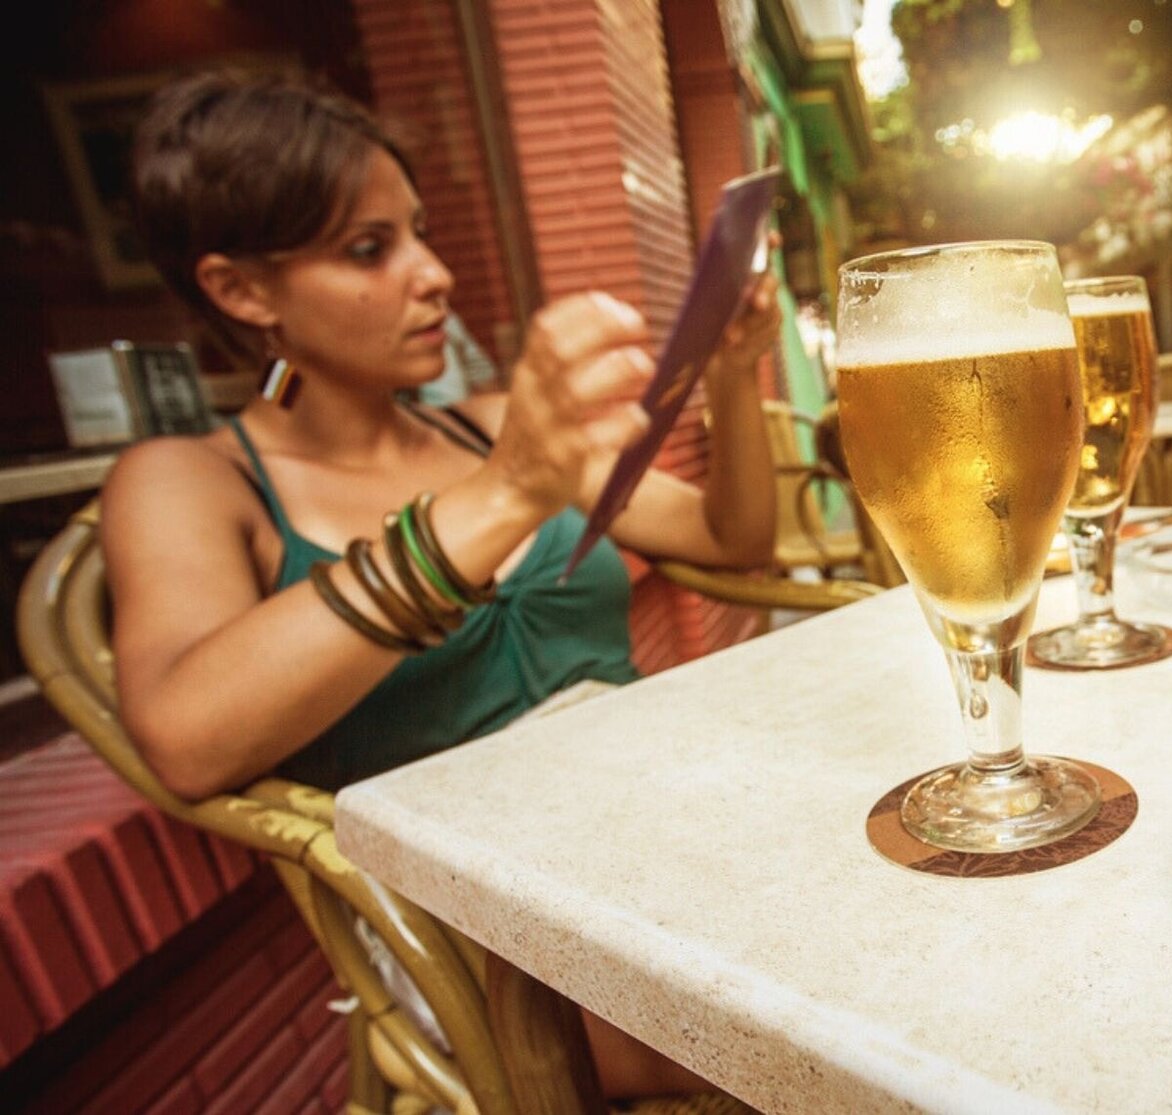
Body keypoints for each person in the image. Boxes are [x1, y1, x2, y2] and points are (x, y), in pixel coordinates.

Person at [100, 71, 777, 1098]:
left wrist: (730, 372)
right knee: (810, 1028)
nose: (435, 273)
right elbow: (188, 734)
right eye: (371, 249)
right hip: (480, 930)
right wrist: (503, 493)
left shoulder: (490, 419)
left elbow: (733, 540)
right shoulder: (192, 478)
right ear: (242, 291)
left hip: (665, 833)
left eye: (417, 231)